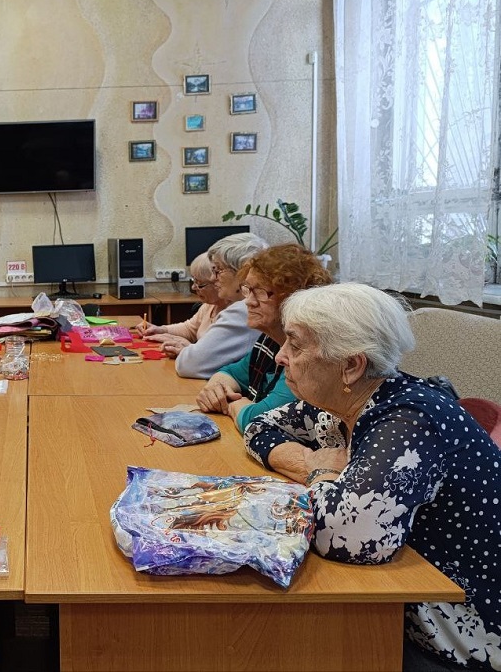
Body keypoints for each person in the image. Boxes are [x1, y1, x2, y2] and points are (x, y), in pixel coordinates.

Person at [243, 283, 501, 671]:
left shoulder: (409, 422)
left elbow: (348, 538)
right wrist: (309, 461)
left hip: (459, 637)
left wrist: (322, 472)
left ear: (351, 365)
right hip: (400, 605)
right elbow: (259, 428)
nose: (280, 356)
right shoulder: (340, 403)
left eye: (295, 345)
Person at [196, 243, 332, 432]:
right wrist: (216, 390)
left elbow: (260, 420)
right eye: (248, 290)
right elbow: (230, 372)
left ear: (293, 298)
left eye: (261, 292)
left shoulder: (306, 355)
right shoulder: (269, 340)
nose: (248, 301)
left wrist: (234, 404)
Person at [139, 250, 260, 378]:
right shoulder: (209, 305)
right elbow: (190, 328)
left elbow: (202, 360)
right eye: (193, 281)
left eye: (200, 284)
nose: (193, 287)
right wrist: (160, 329)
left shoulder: (238, 313)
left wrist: (188, 348)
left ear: (216, 283)